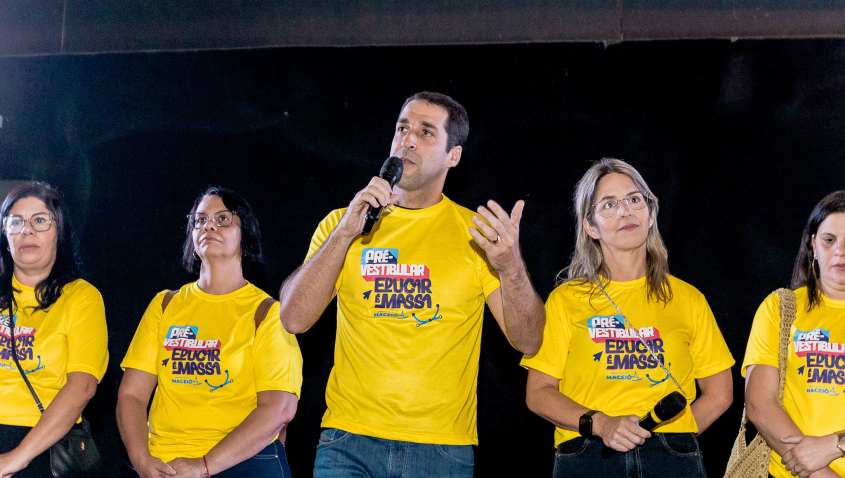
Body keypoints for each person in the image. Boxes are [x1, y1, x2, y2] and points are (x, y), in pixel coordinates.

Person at [279, 91, 545, 477]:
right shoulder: (345, 223)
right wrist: (343, 235)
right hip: (348, 441)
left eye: (425, 132)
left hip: (440, 448)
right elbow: (293, 319)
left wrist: (510, 267)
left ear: (453, 156)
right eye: (402, 128)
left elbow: (530, 341)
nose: (408, 139)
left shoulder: (476, 235)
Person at [522, 158, 734, 477]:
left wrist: (674, 439)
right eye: (609, 204)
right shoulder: (566, 300)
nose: (626, 211)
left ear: (650, 214)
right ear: (590, 226)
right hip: (588, 453)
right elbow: (538, 393)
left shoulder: (689, 298)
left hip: (671, 455)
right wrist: (601, 423)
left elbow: (720, 392)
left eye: (635, 199)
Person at [117, 187, 302, 478]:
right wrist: (141, 459)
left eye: (223, 219)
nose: (209, 225)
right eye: (200, 220)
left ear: (245, 236)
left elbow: (279, 409)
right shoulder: (165, 305)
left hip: (242, 463)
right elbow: (132, 395)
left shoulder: (267, 313)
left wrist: (203, 466)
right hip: (167, 465)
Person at [0, 182, 108, 477]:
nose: (27, 231)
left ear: (59, 232)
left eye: (40, 220)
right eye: (16, 222)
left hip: (42, 445)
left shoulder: (81, 297)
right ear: (5, 235)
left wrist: (17, 457)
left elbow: (83, 386)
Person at [744, 190, 845, 478]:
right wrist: (821, 473)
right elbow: (759, 403)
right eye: (829, 240)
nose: (840, 251)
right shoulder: (780, 308)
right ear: (813, 244)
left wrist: (836, 444)